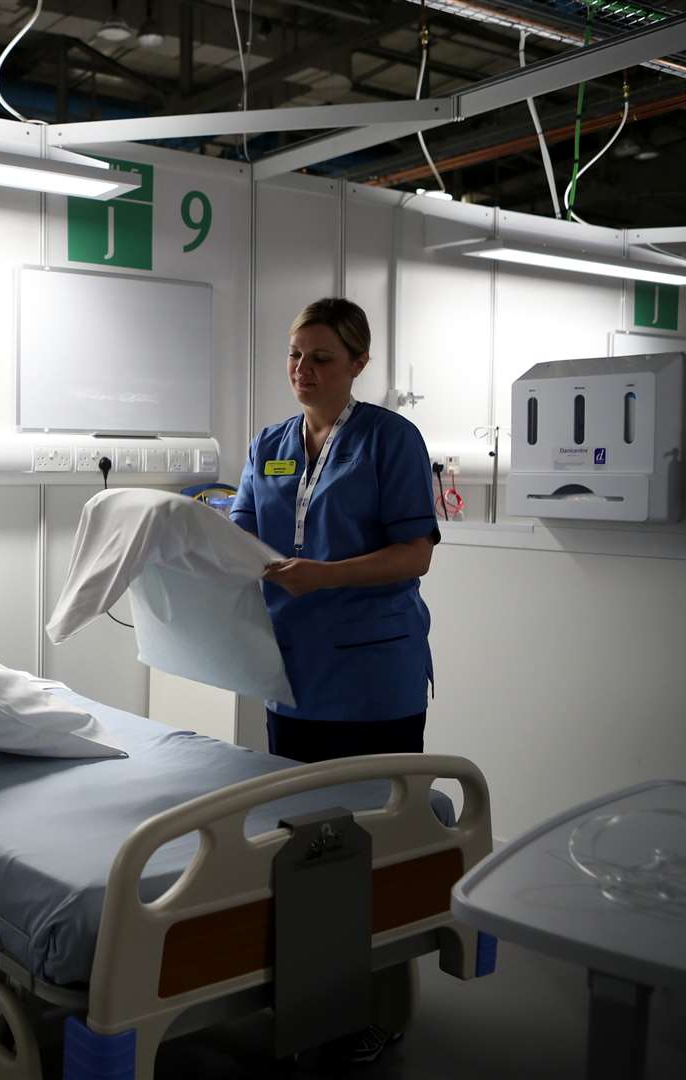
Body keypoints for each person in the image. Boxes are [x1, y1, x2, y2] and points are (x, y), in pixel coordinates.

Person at [230, 297, 440, 1064]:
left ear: (357, 363)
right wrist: (178, 532)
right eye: (294, 355)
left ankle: (367, 1000)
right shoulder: (272, 442)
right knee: (298, 842)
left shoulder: (389, 441)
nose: (303, 370)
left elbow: (413, 552)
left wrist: (325, 576)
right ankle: (309, 993)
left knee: (364, 842)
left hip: (371, 672)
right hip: (291, 670)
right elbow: (245, 533)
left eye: (321, 357)